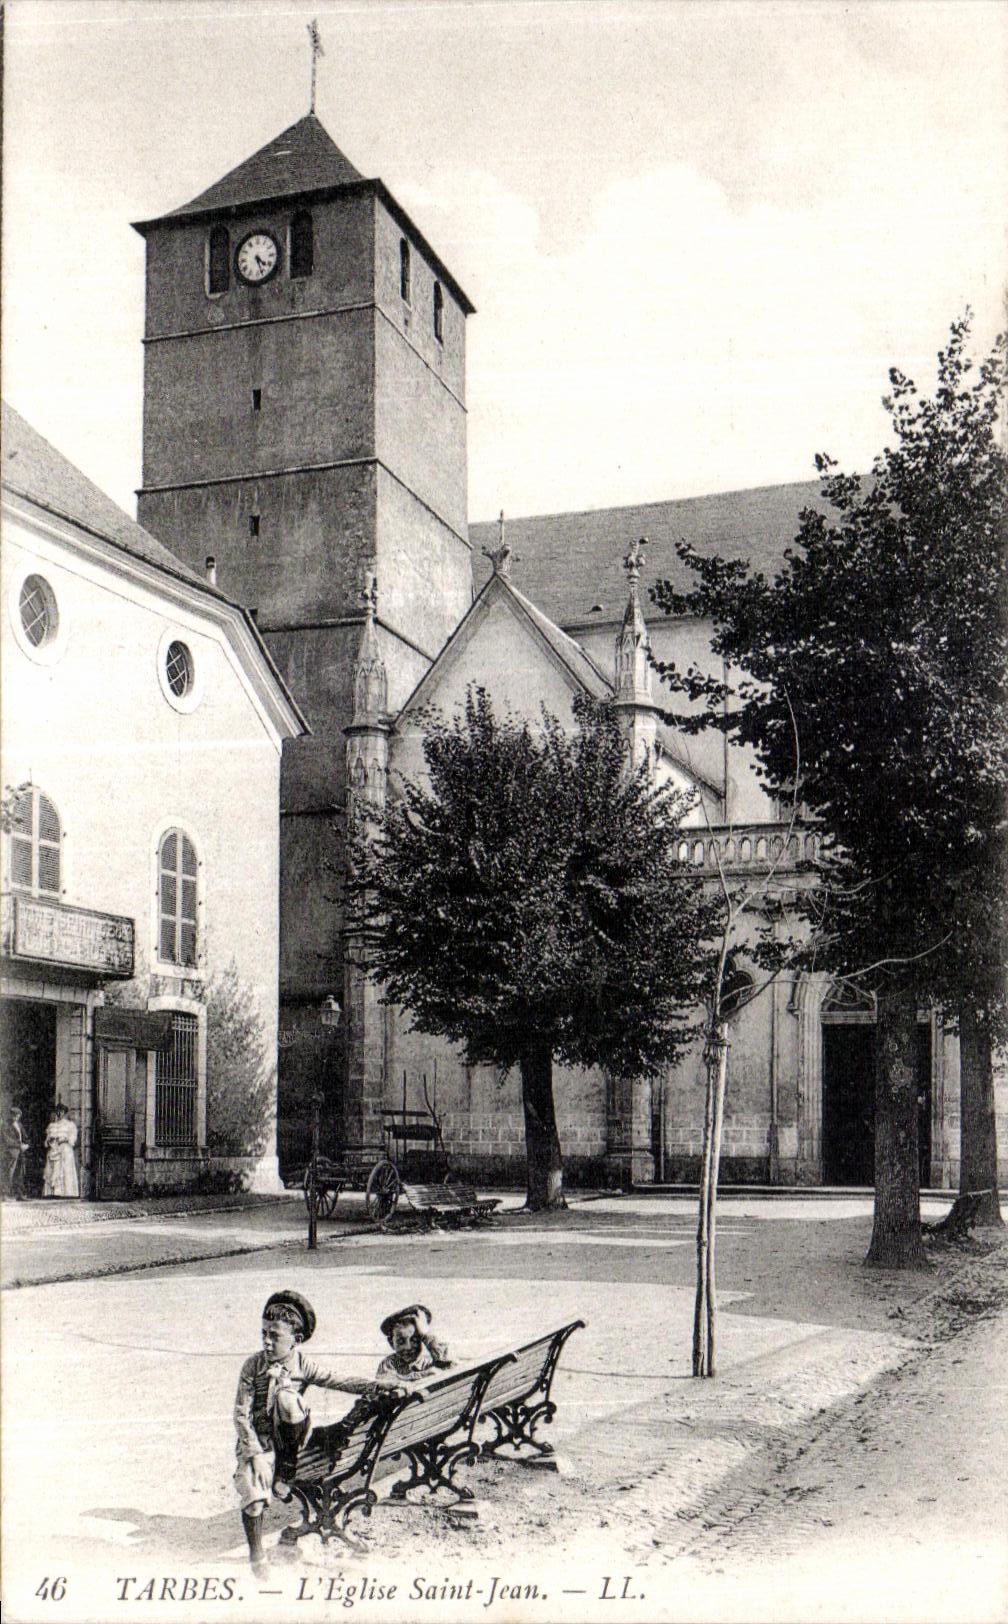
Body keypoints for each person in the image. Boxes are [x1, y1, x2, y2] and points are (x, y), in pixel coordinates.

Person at [233, 1290, 407, 1572]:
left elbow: (336, 1379)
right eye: (263, 1333)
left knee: (287, 1398)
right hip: (260, 1442)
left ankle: (287, 1470)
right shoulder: (253, 1366)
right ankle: (257, 1557)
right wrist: (253, 1454)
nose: (266, 1341)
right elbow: (241, 1414)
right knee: (253, 1491)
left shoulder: (302, 1364)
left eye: (275, 1335)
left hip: (292, 1440)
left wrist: (376, 1386)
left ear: (296, 1340)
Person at [376, 1303, 453, 1381]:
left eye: (414, 1340)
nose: (408, 1347)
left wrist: (425, 1334)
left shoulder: (428, 1363)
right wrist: (423, 1374)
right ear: (391, 1343)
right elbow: (387, 1381)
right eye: (400, 1342)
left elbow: (448, 1366)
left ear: (422, 1340)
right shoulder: (389, 1363)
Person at [42, 1101, 78, 1198]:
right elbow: (46, 1141)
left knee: (65, 1170)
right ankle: (53, 1192)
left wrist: (64, 1139)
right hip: (54, 1149)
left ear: (65, 1113)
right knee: (53, 1170)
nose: (59, 1113)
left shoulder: (70, 1125)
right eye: (58, 1111)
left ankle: (67, 1192)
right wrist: (49, 1141)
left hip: (65, 1149)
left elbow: (72, 1139)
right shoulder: (52, 1126)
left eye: (62, 1111)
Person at [3, 1107, 30, 1199]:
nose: (16, 1118)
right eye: (14, 1116)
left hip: (20, 1153)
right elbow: (7, 1140)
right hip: (11, 1153)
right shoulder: (6, 1125)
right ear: (11, 1115)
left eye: (18, 1116)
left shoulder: (19, 1125)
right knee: (9, 1173)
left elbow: (25, 1136)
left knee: (20, 1173)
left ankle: (19, 1194)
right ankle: (6, 1195)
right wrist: (20, 1145)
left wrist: (27, 1144)